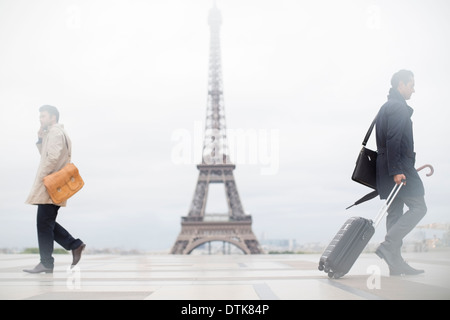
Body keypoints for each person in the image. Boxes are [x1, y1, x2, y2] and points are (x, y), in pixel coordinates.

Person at [375, 70, 427, 276]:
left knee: (395, 213)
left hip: (386, 167)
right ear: (400, 85)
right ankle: (388, 246)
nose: (414, 89)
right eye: (411, 85)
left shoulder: (386, 106)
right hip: (399, 167)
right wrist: (397, 170)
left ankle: (395, 264)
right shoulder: (398, 107)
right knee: (419, 206)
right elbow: (393, 139)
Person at [23, 105, 85, 274]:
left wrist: (43, 178)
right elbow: (46, 155)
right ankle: (74, 245)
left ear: (53, 117)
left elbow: (52, 159)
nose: (40, 119)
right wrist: (40, 138)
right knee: (46, 223)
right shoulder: (52, 133)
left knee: (44, 223)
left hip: (51, 184)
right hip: (53, 184)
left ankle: (47, 262)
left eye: (43, 116)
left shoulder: (56, 133)